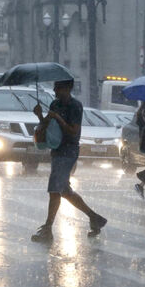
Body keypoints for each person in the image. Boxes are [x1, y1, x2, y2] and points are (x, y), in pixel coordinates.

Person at [31, 79, 107, 242]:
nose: (55, 91)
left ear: (68, 88)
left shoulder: (75, 106)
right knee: (63, 190)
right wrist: (40, 116)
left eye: (58, 88)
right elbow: (48, 126)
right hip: (57, 150)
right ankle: (95, 218)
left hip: (69, 151)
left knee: (54, 190)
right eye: (55, 88)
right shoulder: (54, 104)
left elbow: (73, 131)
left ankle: (48, 229)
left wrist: (57, 117)